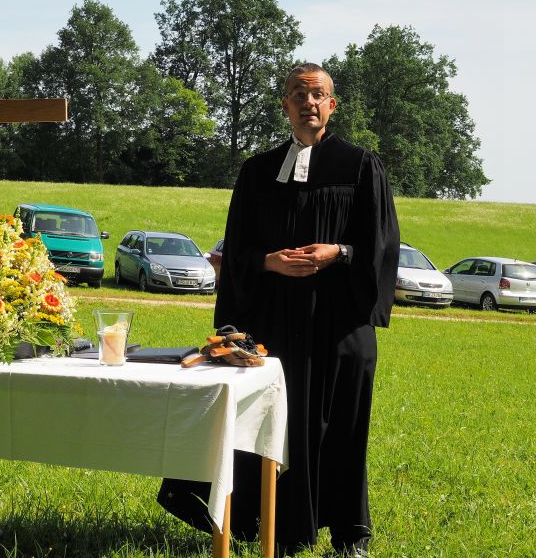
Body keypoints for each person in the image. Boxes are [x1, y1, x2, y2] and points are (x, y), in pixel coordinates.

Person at [157, 63, 399, 557]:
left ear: (333, 105)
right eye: (298, 94)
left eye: (319, 94)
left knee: (341, 428)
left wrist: (339, 253)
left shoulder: (359, 166)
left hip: (337, 325)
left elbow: (381, 247)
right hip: (271, 326)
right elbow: (236, 250)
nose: (309, 102)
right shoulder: (256, 171)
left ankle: (348, 534)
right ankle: (270, 525)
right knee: (269, 424)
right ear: (284, 105)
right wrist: (267, 262)